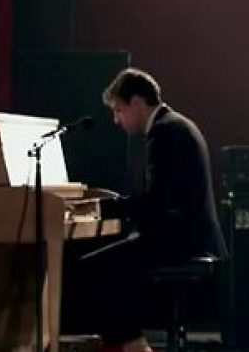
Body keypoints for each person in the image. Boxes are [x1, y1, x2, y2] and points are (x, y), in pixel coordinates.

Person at [91, 68, 227, 352]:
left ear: (137, 102)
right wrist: (121, 204)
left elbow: (156, 200)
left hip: (183, 241)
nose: (116, 120)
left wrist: (105, 206)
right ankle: (127, 339)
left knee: (96, 265)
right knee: (113, 259)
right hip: (192, 236)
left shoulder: (164, 131)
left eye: (118, 110)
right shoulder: (176, 124)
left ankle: (130, 343)